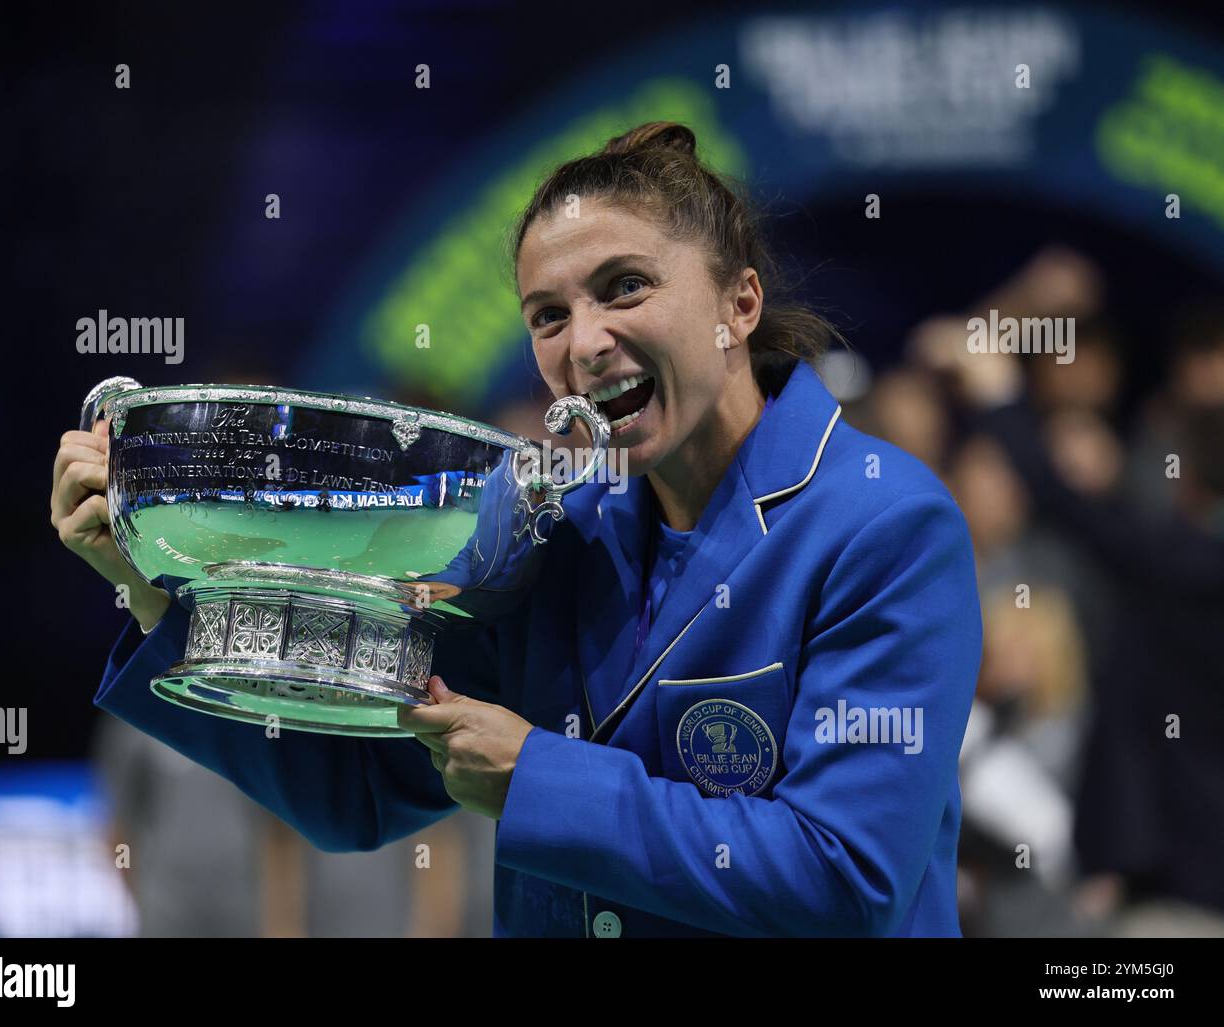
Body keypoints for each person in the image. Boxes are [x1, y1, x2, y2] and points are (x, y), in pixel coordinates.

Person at [51, 121, 982, 937]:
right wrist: (150, 586)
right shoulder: (547, 527)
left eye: (625, 288)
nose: (583, 343)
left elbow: (845, 875)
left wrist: (538, 780)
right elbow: (356, 790)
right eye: (549, 314)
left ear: (739, 305)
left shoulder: (885, 525)